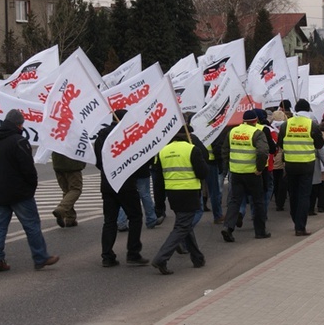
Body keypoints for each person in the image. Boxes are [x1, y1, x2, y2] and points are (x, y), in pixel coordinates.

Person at [0, 110, 59, 272]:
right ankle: (40, 257)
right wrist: (31, 186)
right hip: (19, 192)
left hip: (0, 190)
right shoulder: (20, 141)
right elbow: (28, 168)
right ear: (18, 124)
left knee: (0, 226)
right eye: (22, 124)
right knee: (32, 225)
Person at [94, 110, 150, 268]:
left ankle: (107, 256)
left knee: (109, 221)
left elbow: (99, 162)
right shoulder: (127, 135)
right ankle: (133, 253)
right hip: (125, 183)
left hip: (107, 183)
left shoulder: (101, 137)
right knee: (135, 217)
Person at [151, 124, 208, 275]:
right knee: (182, 226)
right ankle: (161, 258)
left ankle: (197, 258)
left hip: (172, 194)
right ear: (187, 135)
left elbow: (158, 181)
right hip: (189, 192)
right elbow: (203, 173)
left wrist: (159, 204)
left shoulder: (163, 151)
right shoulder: (192, 149)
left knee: (185, 224)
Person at [277, 99, 324, 237]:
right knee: (304, 195)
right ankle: (300, 227)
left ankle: (295, 219)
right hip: (306, 164)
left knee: (293, 194)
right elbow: (319, 144)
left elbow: (280, 143)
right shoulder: (312, 125)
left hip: (290, 164)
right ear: (308, 110)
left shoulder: (285, 125)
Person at [220, 109, 271, 242]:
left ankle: (228, 227)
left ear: (243, 120)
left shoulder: (233, 132)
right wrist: (260, 168)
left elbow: (225, 150)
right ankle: (260, 231)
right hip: (252, 173)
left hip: (236, 172)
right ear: (255, 121)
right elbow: (263, 152)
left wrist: (229, 165)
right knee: (258, 201)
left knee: (234, 201)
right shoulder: (256, 133)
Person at [51, 152, 86, 228]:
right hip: (72, 165)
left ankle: (70, 218)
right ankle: (62, 209)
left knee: (67, 191)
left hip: (58, 164)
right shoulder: (74, 139)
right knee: (75, 189)